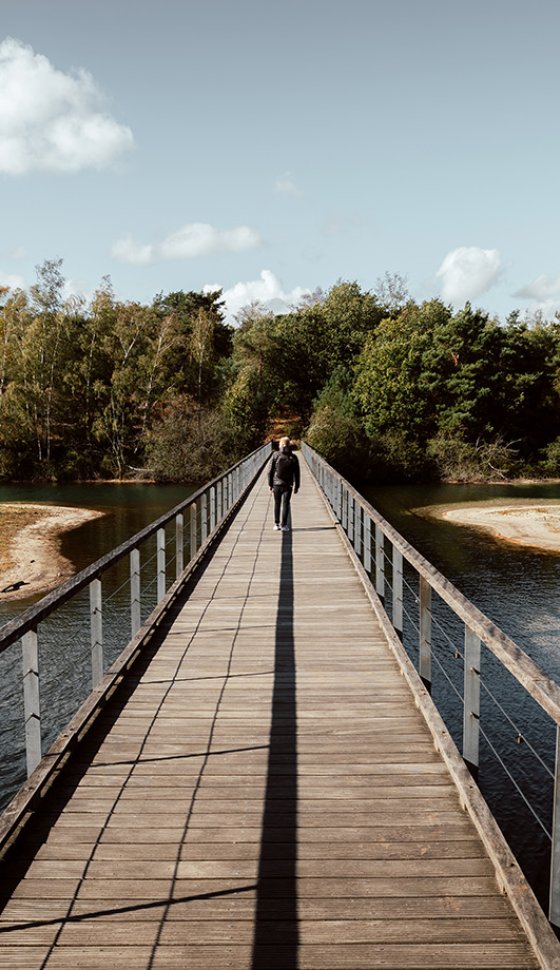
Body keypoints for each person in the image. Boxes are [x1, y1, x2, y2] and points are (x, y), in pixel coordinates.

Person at [268, 436, 300, 531]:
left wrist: (270, 484)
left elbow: (270, 471)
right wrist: (297, 486)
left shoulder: (275, 455)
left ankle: (276, 524)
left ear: (280, 445)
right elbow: (297, 473)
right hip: (288, 484)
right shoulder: (293, 457)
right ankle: (284, 525)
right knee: (286, 504)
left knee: (277, 503)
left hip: (276, 484)